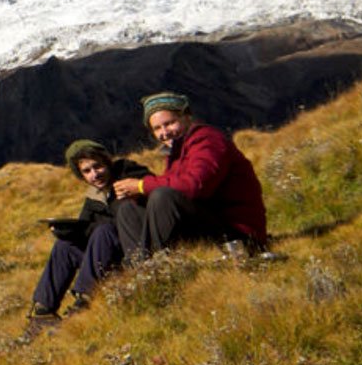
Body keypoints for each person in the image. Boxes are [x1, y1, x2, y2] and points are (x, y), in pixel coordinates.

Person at [111, 92, 267, 259]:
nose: (164, 132)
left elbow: (196, 186)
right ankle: (141, 268)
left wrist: (142, 186)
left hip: (238, 234)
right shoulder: (177, 151)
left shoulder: (207, 139)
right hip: (211, 222)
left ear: (186, 117)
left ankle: (158, 265)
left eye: (170, 123)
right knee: (128, 209)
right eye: (157, 128)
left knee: (163, 196)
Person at [28, 140, 150, 319]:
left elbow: (130, 218)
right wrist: (69, 232)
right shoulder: (93, 197)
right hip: (106, 259)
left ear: (107, 162)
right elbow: (86, 232)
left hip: (134, 253)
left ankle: (84, 299)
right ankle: (43, 311)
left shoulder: (130, 175)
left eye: (98, 166)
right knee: (64, 247)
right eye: (87, 171)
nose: (94, 175)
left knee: (104, 231)